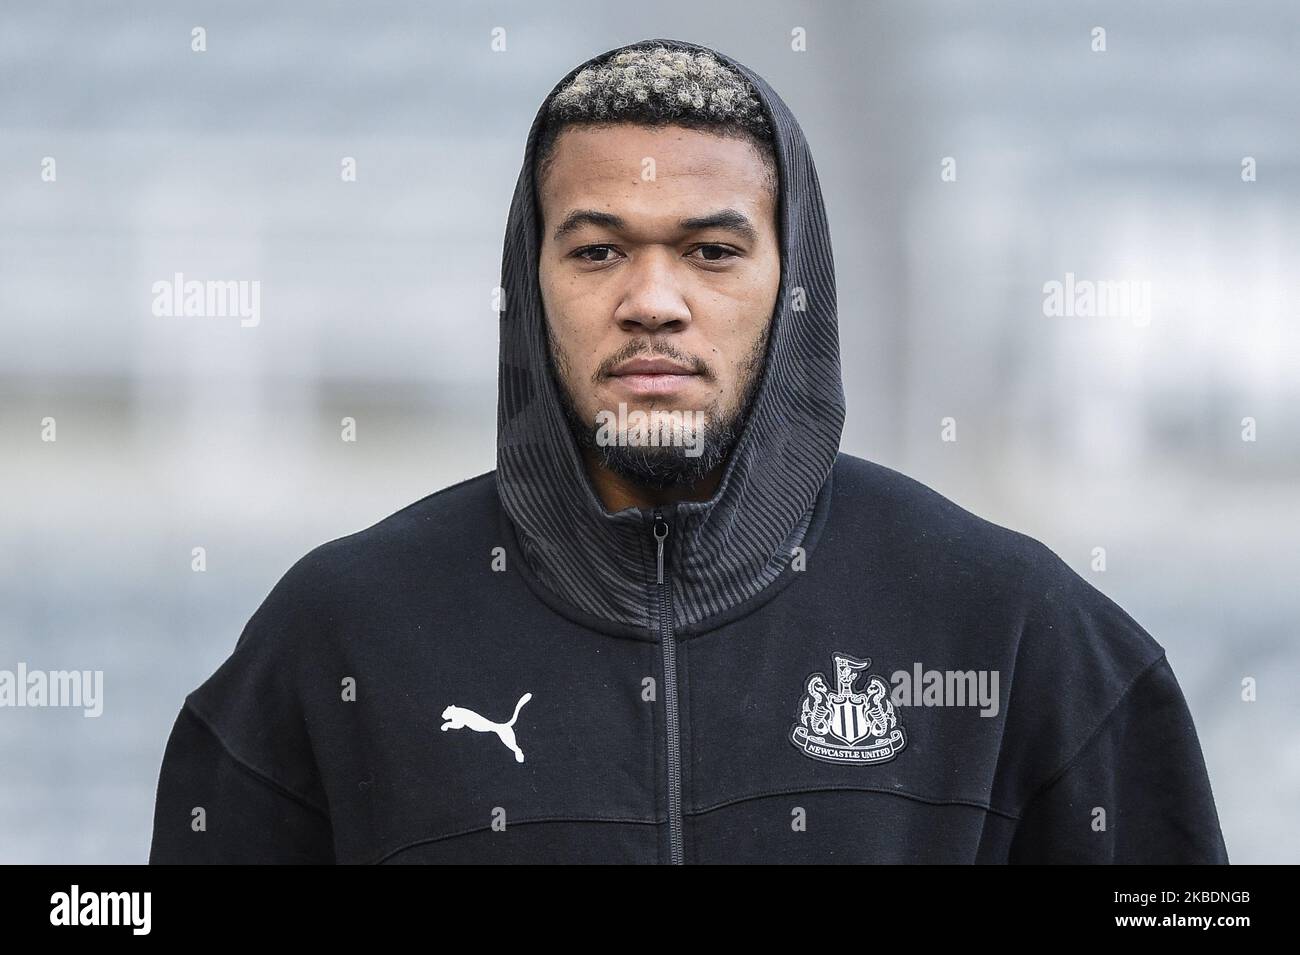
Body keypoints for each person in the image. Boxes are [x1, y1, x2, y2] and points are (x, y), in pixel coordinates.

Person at [149, 38, 1229, 864]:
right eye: (598, 249)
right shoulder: (340, 634)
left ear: (790, 280)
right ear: (531, 282)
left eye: (711, 251)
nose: (652, 301)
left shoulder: (1016, 626)